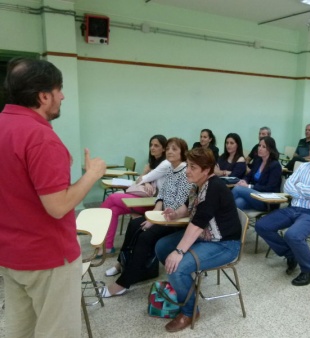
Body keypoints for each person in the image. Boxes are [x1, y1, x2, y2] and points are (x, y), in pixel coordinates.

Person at [0, 58, 106, 337]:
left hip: (10, 254)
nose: (63, 96)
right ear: (43, 96)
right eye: (59, 89)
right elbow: (57, 206)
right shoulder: (40, 138)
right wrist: (91, 175)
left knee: (19, 329)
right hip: (47, 258)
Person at [155, 147, 241, 332]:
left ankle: (189, 311)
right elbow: (187, 206)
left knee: (177, 267)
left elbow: (197, 224)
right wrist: (175, 213)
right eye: (188, 165)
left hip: (225, 244)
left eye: (193, 167)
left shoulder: (214, 188)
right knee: (161, 247)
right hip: (205, 236)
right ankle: (184, 287)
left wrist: (179, 252)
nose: (187, 170)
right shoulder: (197, 184)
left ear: (206, 169)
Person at [102, 138, 193, 297]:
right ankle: (120, 263)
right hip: (163, 216)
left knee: (145, 236)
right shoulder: (171, 169)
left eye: (174, 149)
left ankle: (123, 283)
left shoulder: (185, 172)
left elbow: (178, 204)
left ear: (183, 153)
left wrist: (155, 220)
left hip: (176, 219)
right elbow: (162, 197)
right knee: (134, 225)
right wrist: (152, 217)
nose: (169, 151)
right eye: (168, 149)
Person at [255, 136, 310, 286]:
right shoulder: (304, 167)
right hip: (294, 208)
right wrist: (305, 190)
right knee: (262, 225)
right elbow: (287, 186)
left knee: (292, 235)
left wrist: (299, 188)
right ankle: (290, 254)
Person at [100, 134, 169, 254]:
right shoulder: (153, 163)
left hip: (154, 204)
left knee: (112, 197)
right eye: (151, 145)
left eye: (156, 145)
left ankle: (95, 221)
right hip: (145, 199)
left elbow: (143, 179)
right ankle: (108, 246)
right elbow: (140, 180)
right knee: (114, 210)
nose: (152, 148)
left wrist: (146, 178)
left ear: (163, 148)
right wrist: (146, 177)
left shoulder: (165, 164)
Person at [232, 136, 282, 211]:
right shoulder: (258, 161)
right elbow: (249, 176)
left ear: (270, 150)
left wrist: (249, 186)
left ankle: (217, 211)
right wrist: (244, 181)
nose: (260, 148)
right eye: (259, 145)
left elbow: (270, 188)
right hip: (254, 197)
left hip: (266, 200)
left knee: (237, 189)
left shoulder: (275, 165)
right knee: (237, 203)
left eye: (263, 147)